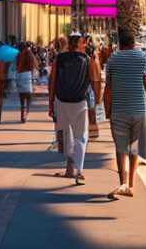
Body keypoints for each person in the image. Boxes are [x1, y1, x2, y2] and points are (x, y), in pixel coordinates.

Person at [103, 31, 146, 199]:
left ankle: (122, 182)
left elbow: (108, 88)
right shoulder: (143, 59)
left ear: (120, 43)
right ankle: (131, 184)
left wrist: (107, 110)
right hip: (138, 111)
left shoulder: (112, 60)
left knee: (120, 149)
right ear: (134, 43)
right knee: (134, 149)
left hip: (118, 110)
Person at [49, 33, 101, 184]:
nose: (85, 45)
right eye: (82, 43)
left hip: (61, 100)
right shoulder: (87, 60)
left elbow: (52, 82)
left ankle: (69, 167)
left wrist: (50, 103)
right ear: (76, 45)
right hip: (79, 102)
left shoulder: (59, 59)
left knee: (64, 135)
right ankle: (79, 170)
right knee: (81, 136)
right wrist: (96, 101)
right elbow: (94, 81)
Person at [14, 42, 37, 122]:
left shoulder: (18, 55)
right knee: (28, 96)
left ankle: (22, 113)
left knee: (22, 96)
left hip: (19, 75)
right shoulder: (29, 54)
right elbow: (33, 66)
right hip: (27, 75)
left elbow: (16, 65)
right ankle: (25, 113)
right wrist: (34, 80)